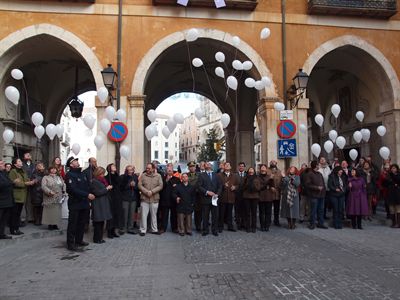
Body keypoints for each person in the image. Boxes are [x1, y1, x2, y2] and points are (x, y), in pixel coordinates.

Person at [65, 157, 94, 251]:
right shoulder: (69, 175)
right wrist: (87, 195)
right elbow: (73, 189)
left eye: (77, 160)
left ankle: (79, 240)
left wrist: (89, 195)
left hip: (84, 203)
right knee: (73, 224)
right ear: (71, 164)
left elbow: (87, 186)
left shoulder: (82, 174)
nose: (77, 162)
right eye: (74, 161)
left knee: (81, 223)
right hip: (75, 203)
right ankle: (70, 243)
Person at [9, 158, 34, 235]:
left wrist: (30, 182)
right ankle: (13, 230)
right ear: (15, 164)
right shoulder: (13, 171)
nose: (21, 162)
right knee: (14, 213)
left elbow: (25, 179)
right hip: (16, 195)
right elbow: (15, 183)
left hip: (22, 195)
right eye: (19, 161)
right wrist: (26, 183)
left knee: (18, 214)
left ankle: (17, 228)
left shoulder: (22, 170)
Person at [197, 161, 223, 236]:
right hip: (205, 198)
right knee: (205, 215)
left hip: (215, 198)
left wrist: (217, 194)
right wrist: (207, 192)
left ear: (211, 166)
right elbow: (199, 186)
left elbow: (220, 186)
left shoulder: (216, 175)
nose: (208, 165)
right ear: (204, 166)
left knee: (215, 215)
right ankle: (205, 230)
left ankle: (214, 230)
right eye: (206, 164)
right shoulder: (201, 175)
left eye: (209, 164)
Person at [138, 163, 163, 236]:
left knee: (154, 215)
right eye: (147, 168)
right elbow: (139, 185)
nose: (147, 169)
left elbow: (160, 186)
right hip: (144, 198)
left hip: (154, 198)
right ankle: (143, 230)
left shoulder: (158, 176)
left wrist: (152, 192)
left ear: (153, 168)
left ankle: (154, 229)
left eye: (149, 168)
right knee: (143, 215)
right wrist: (146, 192)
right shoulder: (143, 175)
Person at [90, 167, 113, 243]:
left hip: (103, 203)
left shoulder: (102, 180)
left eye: (103, 173)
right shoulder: (94, 181)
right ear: (98, 174)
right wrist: (107, 189)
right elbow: (97, 193)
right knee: (98, 222)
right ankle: (96, 239)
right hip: (98, 203)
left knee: (102, 221)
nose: (103, 175)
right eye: (102, 173)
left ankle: (100, 238)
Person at [305, 160, 327, 230]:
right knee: (313, 210)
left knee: (321, 210)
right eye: (318, 165)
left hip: (321, 195)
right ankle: (312, 224)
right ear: (315, 165)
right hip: (314, 195)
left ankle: (320, 223)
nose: (319, 166)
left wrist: (323, 192)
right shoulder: (309, 174)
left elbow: (323, 184)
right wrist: (317, 188)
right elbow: (307, 185)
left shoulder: (319, 174)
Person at [41, 166, 65, 230]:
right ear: (49, 170)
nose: (54, 170)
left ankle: (55, 224)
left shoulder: (59, 177)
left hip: (58, 196)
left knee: (56, 211)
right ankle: (50, 224)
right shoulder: (45, 177)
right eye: (52, 169)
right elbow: (43, 186)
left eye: (55, 169)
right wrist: (49, 191)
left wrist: (64, 192)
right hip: (50, 196)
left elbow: (63, 184)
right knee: (50, 211)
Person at [217, 162, 239, 232]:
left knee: (230, 213)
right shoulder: (219, 175)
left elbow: (238, 185)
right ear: (223, 167)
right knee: (221, 213)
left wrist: (235, 187)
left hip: (231, 197)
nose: (227, 166)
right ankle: (220, 226)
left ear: (230, 167)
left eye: (228, 165)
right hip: (222, 197)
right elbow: (217, 185)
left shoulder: (234, 175)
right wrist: (223, 186)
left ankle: (230, 226)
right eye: (225, 165)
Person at [159, 165, 180, 233]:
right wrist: (166, 181)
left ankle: (174, 228)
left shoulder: (176, 179)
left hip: (173, 200)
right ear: (166, 170)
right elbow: (160, 188)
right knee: (164, 215)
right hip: (165, 199)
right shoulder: (162, 178)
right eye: (168, 169)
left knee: (174, 215)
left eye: (170, 169)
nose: (169, 170)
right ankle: (163, 228)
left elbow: (179, 189)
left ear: (173, 170)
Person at [120, 165, 139, 234]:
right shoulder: (122, 177)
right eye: (129, 170)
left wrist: (135, 186)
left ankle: (130, 228)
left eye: (132, 170)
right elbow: (121, 187)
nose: (131, 171)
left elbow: (138, 187)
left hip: (133, 198)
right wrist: (129, 185)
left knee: (132, 214)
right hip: (125, 198)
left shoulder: (135, 177)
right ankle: (123, 228)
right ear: (126, 170)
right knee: (125, 214)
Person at [105, 163, 123, 238]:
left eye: (115, 166)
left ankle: (114, 230)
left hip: (118, 198)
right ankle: (109, 231)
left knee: (117, 215)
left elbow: (120, 186)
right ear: (109, 168)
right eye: (113, 166)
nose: (115, 166)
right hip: (111, 198)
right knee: (110, 215)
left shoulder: (118, 176)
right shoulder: (107, 177)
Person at [242, 167, 260, 233]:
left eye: (252, 169)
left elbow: (259, 187)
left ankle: (254, 227)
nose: (251, 170)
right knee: (247, 213)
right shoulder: (245, 177)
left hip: (255, 197)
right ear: (248, 171)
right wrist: (247, 183)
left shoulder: (257, 178)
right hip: (246, 196)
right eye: (250, 169)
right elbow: (242, 187)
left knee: (254, 213)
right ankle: (248, 227)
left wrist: (254, 185)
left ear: (254, 171)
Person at [0, 160, 14, 239]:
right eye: (1, 163)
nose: (3, 165)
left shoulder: (4, 173)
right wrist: (11, 183)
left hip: (7, 200)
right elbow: (2, 184)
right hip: (1, 200)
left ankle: (1, 234)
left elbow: (8, 181)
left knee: (4, 219)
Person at [258, 164, 275, 231]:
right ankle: (262, 226)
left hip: (268, 196)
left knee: (268, 212)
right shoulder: (257, 177)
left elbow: (272, 186)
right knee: (261, 212)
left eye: (264, 167)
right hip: (261, 197)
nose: (263, 168)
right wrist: (266, 185)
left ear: (266, 169)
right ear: (260, 169)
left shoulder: (269, 177)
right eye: (262, 167)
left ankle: (267, 225)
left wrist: (271, 187)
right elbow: (259, 187)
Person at [267, 160, 282, 227]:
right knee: (269, 208)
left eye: (274, 162)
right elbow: (265, 181)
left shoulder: (279, 171)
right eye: (271, 162)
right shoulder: (267, 171)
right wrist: (270, 187)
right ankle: (268, 221)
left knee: (277, 208)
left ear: (276, 163)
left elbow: (281, 181)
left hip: (277, 193)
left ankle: (276, 220)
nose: (273, 163)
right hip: (269, 193)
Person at [187, 161, 201, 232]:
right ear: (188, 168)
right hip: (188, 195)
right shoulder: (185, 175)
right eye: (190, 167)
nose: (192, 168)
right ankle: (187, 227)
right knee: (187, 211)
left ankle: (198, 226)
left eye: (193, 166)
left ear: (195, 167)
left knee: (198, 212)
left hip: (197, 195)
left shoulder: (199, 175)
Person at [22, 152, 35, 224]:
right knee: (23, 202)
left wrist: (34, 180)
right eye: (27, 156)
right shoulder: (22, 165)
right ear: (24, 158)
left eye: (29, 155)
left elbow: (35, 173)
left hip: (32, 186)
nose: (28, 157)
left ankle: (30, 217)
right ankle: (23, 218)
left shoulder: (33, 165)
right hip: (24, 185)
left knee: (30, 202)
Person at [235, 162, 247, 230]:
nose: (241, 167)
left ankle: (243, 223)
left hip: (245, 196)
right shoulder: (235, 175)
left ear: (244, 167)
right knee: (237, 210)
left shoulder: (247, 174)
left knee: (244, 210)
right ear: (238, 167)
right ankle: (238, 224)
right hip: (237, 195)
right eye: (240, 166)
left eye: (242, 166)